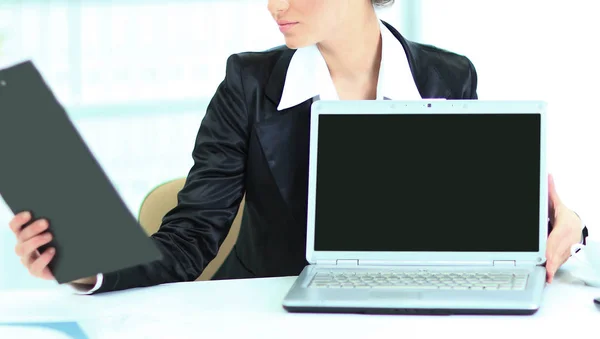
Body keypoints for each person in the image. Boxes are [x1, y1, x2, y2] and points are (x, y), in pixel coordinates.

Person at [9, 0, 589, 294]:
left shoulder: (448, 78)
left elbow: (474, 228)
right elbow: (190, 240)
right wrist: (88, 269)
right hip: (269, 316)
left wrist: (568, 225)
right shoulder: (249, 83)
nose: (273, 3)